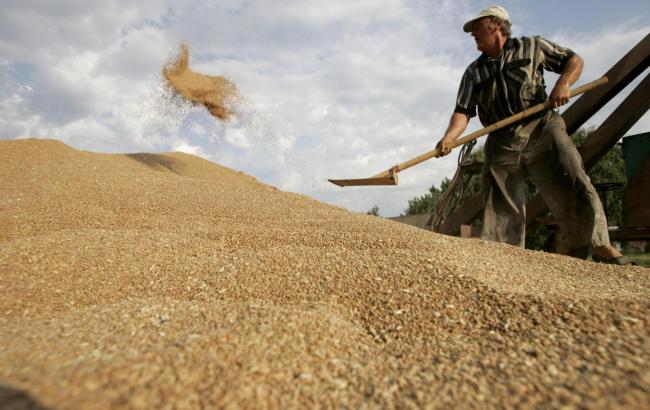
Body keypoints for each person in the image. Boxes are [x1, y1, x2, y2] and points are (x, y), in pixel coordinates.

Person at [434, 5, 633, 265]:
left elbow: (574, 60)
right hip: (502, 140)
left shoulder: (532, 46)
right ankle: (507, 261)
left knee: (571, 179)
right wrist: (449, 137)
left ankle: (602, 246)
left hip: (541, 128)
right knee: (500, 205)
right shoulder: (474, 72)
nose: (472, 33)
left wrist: (563, 84)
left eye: (477, 27)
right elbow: (462, 111)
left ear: (497, 25)